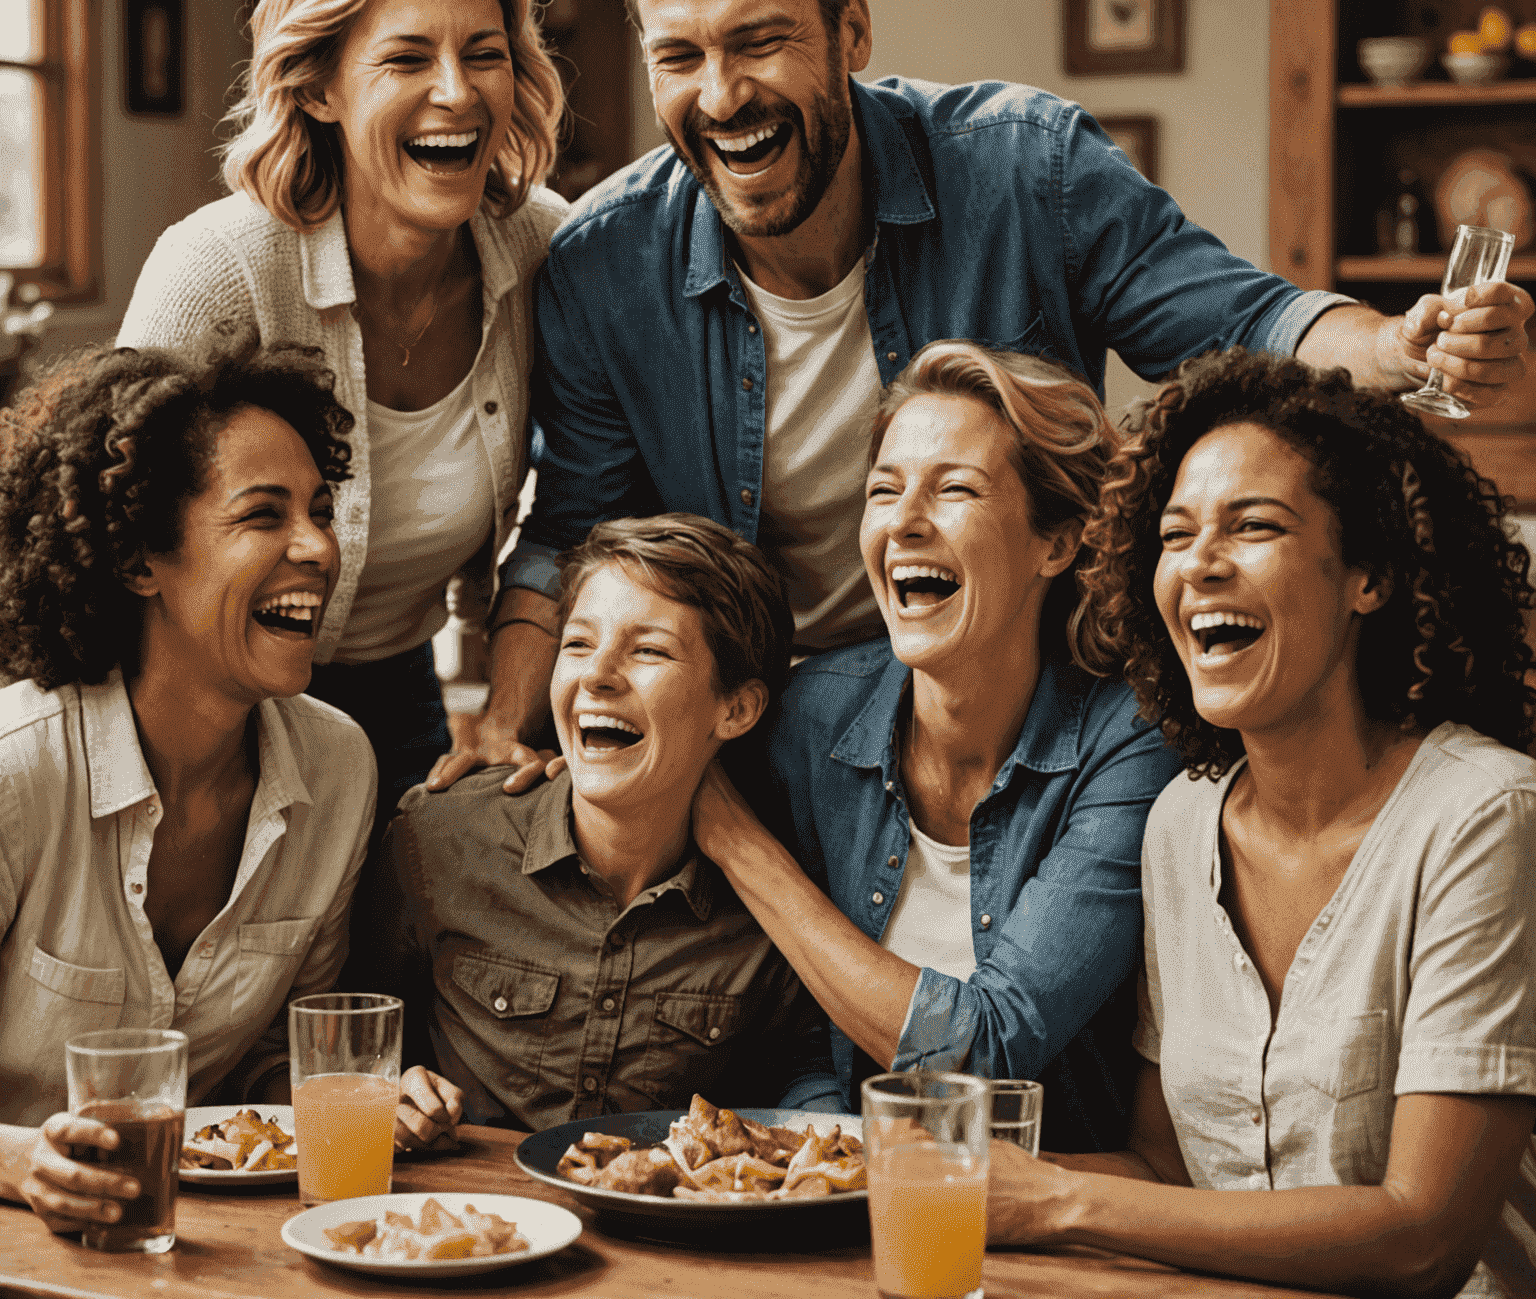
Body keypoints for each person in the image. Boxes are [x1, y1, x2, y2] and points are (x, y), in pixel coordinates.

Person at [435, 0, 1533, 793]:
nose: (721, 96)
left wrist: (1397, 346)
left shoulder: (1025, 170)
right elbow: (570, 530)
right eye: (680, 55)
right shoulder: (601, 264)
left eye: (759, 41)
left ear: (850, 30)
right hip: (760, 738)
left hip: (1037, 728)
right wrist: (497, 725)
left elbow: (1244, 319)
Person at [984, 350, 1536, 1297]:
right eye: (1175, 535)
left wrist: (1054, 1202)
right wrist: (907, 1173)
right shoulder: (1180, 825)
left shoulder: (1484, 816)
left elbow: (1424, 1234)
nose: (1199, 564)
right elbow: (1167, 1172)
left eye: (1255, 527)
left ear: (1368, 574)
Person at [117, 0, 567, 837]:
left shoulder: (544, 253)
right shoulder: (219, 271)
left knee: (374, 981)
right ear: (318, 87)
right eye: (407, 57)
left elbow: (579, 500)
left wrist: (502, 705)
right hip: (192, 709)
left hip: (401, 698)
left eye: (484, 55)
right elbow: (106, 528)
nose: (457, 91)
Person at [686, 341, 1184, 1149]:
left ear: (1054, 544)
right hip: (841, 1207)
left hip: (1052, 1232)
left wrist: (739, 844)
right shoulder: (810, 717)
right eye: (884, 491)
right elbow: (792, 1018)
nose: (905, 522)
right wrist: (827, 1158)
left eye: (955, 489)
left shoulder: (1127, 745)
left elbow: (989, 1050)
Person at [0, 328, 376, 1235]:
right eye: (263, 516)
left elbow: (264, 1077)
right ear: (138, 562)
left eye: (321, 511)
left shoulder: (338, 768)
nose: (317, 548)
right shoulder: (17, 772)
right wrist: (22, 1161)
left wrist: (365, 1097)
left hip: (194, 1251)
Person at [355, 514, 841, 1148]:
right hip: (461, 1226)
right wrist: (380, 1090)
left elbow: (800, 1084)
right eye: (578, 644)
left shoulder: (774, 901)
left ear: (738, 708)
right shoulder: (439, 838)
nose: (597, 676)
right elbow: (333, 1039)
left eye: (648, 651)